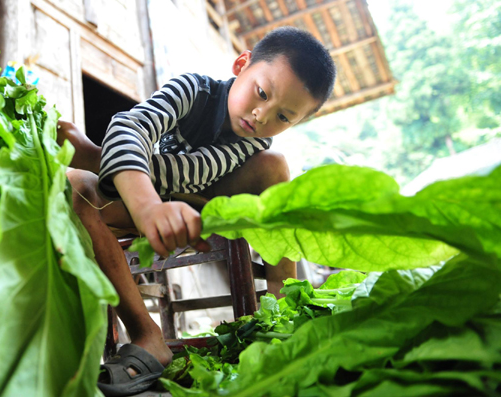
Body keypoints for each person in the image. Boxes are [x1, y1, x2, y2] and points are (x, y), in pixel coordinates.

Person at [57, 26, 336, 397]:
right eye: (262, 93)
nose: (262, 114)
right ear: (241, 65)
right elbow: (130, 125)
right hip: (154, 200)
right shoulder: (193, 89)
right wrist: (146, 204)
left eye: (284, 117)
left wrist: (101, 157)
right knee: (75, 186)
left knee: (275, 165)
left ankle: (282, 307)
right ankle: (146, 334)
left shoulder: (255, 142)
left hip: (205, 202)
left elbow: (192, 174)